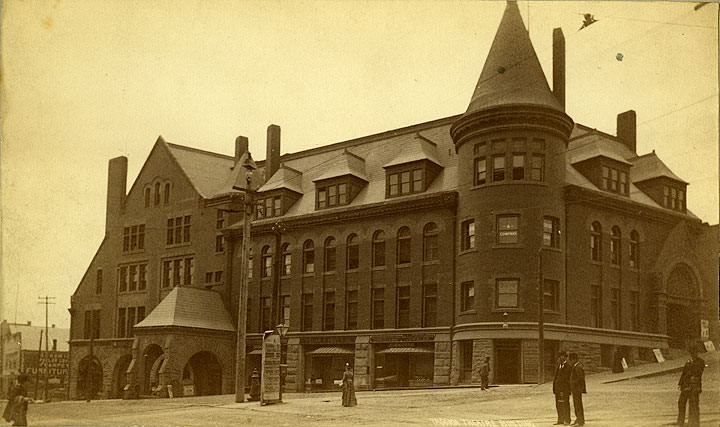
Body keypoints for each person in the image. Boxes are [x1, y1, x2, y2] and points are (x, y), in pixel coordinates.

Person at [677, 348, 705, 427]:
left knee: (693, 405)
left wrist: (690, 376)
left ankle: (694, 423)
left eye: (695, 353)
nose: (693, 354)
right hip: (685, 386)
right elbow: (684, 373)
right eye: (692, 353)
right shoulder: (688, 361)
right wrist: (680, 383)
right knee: (681, 403)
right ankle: (680, 422)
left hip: (694, 387)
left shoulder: (700, 362)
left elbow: (698, 373)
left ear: (697, 353)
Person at [552, 351, 571, 425]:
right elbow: (556, 378)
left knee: (565, 404)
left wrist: (565, 390)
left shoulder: (568, 367)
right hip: (557, 389)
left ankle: (567, 420)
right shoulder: (558, 366)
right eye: (559, 356)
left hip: (564, 389)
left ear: (565, 357)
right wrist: (554, 388)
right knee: (558, 404)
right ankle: (560, 419)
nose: (560, 358)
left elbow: (567, 379)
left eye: (562, 356)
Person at [569, 353, 586, 426]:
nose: (570, 362)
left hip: (577, 389)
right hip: (576, 389)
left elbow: (580, 378)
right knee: (576, 405)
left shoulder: (578, 367)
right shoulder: (576, 366)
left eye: (571, 360)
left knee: (578, 405)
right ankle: (578, 419)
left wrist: (572, 382)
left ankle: (580, 420)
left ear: (574, 359)